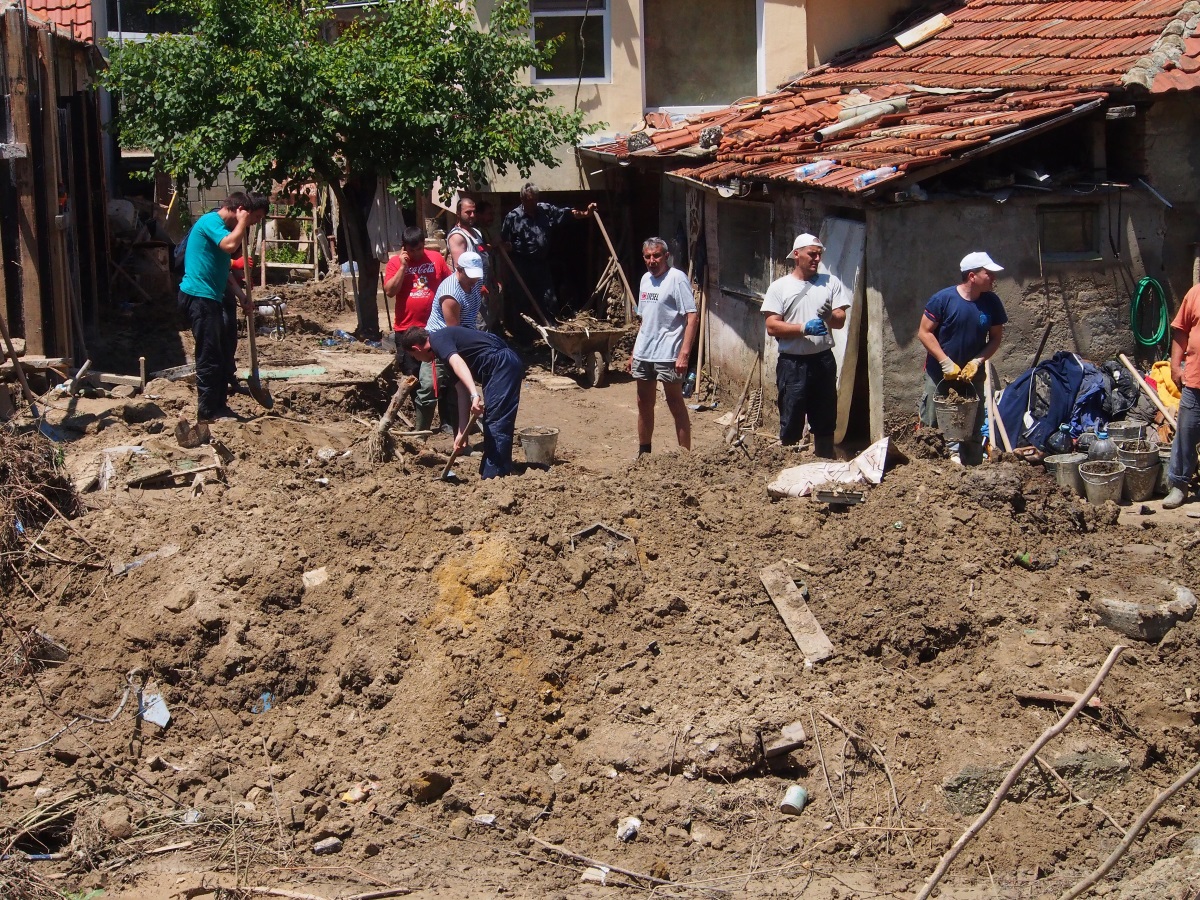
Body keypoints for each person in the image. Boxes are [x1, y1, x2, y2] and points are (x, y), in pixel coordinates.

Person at [177, 192, 269, 422]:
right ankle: (207, 412)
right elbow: (229, 246)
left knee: (220, 353)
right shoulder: (211, 222)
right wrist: (242, 223)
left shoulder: (224, 229)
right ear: (240, 210)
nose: (253, 223)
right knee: (209, 355)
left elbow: (223, 271)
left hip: (211, 297)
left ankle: (219, 406)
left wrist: (241, 296)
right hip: (198, 298)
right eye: (253, 218)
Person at [761, 234, 850, 458]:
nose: (817, 258)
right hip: (793, 363)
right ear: (797, 254)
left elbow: (840, 320)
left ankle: (824, 464)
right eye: (812, 254)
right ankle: (787, 467)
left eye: (819, 254)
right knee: (791, 417)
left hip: (822, 360)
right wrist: (803, 328)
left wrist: (830, 315)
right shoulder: (780, 287)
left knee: (825, 418)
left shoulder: (831, 283)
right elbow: (772, 326)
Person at [917, 251, 1008, 465]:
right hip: (939, 373)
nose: (994, 278)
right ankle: (929, 471)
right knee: (931, 424)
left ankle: (972, 471)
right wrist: (945, 361)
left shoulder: (991, 302)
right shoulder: (943, 299)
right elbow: (924, 332)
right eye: (989, 273)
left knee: (973, 426)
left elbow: (995, 338)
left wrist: (977, 361)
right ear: (972, 276)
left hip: (971, 375)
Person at [400, 325, 524, 479]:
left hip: (501, 364)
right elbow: (461, 392)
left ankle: (495, 476)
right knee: (494, 419)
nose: (416, 360)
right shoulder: (443, 352)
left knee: (496, 420)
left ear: (416, 348)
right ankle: (495, 471)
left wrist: (475, 395)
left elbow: (458, 363)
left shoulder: (438, 340)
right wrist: (461, 433)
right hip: (498, 366)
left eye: (413, 356)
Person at [629, 237, 698, 456]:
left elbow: (692, 316)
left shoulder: (676, 278)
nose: (652, 260)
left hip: (668, 353)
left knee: (675, 403)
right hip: (644, 352)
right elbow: (645, 321)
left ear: (666, 256)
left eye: (657, 255)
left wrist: (684, 353)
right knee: (643, 403)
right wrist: (633, 353)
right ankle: (644, 453)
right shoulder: (645, 280)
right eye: (648, 256)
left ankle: (684, 457)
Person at [500, 182, 596, 333]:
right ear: (522, 199)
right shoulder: (513, 217)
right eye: (529, 200)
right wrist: (506, 249)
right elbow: (503, 242)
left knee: (549, 299)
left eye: (534, 200)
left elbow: (567, 213)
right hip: (521, 266)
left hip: (541, 264)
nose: (532, 203)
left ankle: (553, 333)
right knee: (521, 302)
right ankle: (524, 339)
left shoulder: (545, 210)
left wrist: (586, 214)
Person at [383, 226, 451, 432]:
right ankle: (423, 423)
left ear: (424, 244)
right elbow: (390, 291)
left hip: (434, 327)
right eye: (411, 250)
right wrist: (404, 267)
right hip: (407, 329)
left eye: (419, 249)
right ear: (404, 248)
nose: (416, 254)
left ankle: (447, 420)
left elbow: (450, 283)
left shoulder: (435, 259)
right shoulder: (395, 263)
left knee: (444, 374)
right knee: (412, 375)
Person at [425, 251, 485, 432]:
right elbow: (454, 332)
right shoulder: (450, 293)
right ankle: (423, 434)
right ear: (459, 269)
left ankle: (464, 429)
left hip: (466, 336)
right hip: (444, 341)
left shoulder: (475, 281)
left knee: (463, 389)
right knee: (435, 387)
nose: (474, 280)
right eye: (470, 276)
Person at [1163, 283, 1200, 508]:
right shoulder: (1196, 293)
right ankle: (1179, 485)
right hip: (1195, 379)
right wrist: (1175, 366)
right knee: (1185, 433)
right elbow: (1181, 330)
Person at [447, 197, 494, 330]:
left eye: (473, 212)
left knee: (485, 325)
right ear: (458, 213)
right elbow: (460, 267)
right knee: (477, 327)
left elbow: (484, 259)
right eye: (468, 212)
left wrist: (492, 279)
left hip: (483, 288)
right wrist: (476, 287)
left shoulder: (476, 233)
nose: (472, 215)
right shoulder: (458, 236)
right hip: (471, 291)